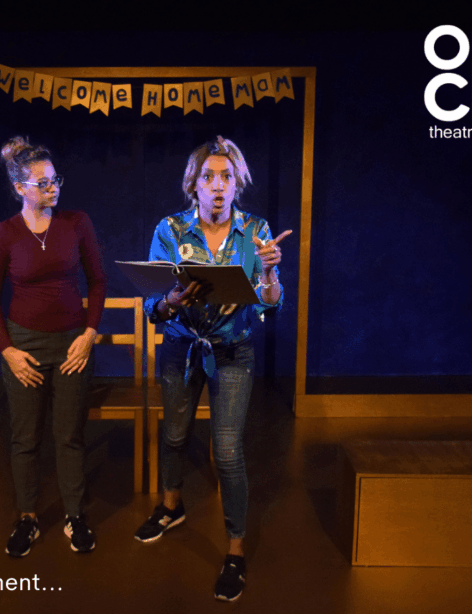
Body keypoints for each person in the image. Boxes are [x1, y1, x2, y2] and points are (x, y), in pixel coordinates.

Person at [134, 136, 291, 601]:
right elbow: (151, 306)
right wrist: (169, 300)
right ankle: (171, 505)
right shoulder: (171, 230)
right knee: (175, 434)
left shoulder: (256, 231)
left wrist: (268, 276)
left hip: (233, 352)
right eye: (209, 177)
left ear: (236, 183)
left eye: (227, 177)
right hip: (181, 348)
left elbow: (271, 307)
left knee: (226, 452)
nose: (218, 186)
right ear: (194, 185)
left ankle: (236, 550)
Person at [0, 136, 107, 557]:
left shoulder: (77, 223)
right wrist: (8, 351)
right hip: (25, 348)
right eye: (43, 182)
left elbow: (98, 281)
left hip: (72, 345)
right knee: (25, 437)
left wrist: (89, 335)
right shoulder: (4, 235)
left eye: (55, 180)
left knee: (69, 435)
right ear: (20, 188)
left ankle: (75, 515)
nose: (53, 188)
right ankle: (28, 518)